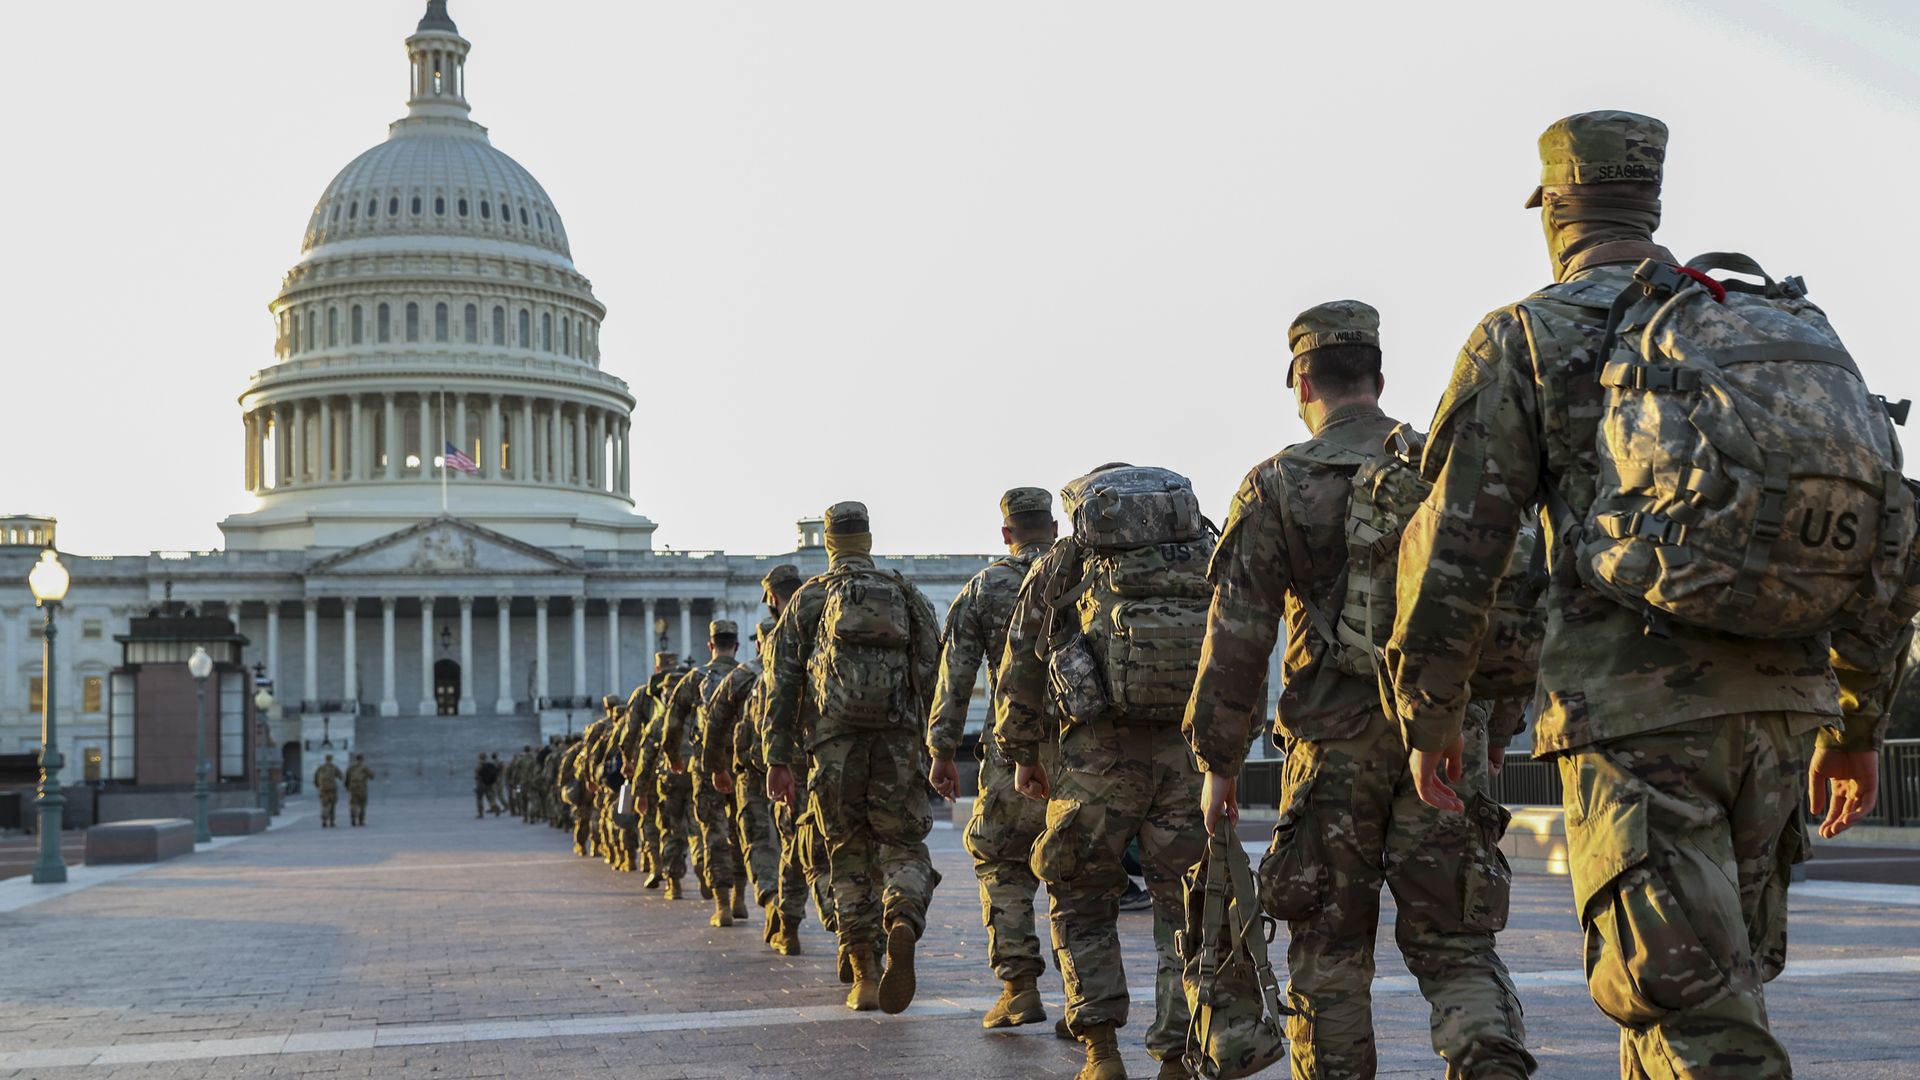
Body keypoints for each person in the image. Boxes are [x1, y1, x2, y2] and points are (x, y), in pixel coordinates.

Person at [1385, 110, 1906, 1079]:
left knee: (1691, 1021)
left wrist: (1432, 711)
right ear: (1650, 200)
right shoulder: (1772, 323)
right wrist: (1857, 725)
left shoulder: (1528, 335)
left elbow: (1458, 543)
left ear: (1555, 209)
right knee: (1704, 989)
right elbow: (1884, 527)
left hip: (1635, 718)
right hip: (1781, 716)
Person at [1183, 300, 1534, 1079]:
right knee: (1456, 943)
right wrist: (1494, 725)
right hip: (1442, 741)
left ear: (1302, 380)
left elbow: (1237, 638)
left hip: (1331, 750)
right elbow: (1507, 602)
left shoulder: (1276, 484)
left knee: (1330, 954)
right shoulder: (1444, 470)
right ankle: (1488, 1057)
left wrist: (1219, 763)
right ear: (1378, 376)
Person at [996, 464, 1212, 1080]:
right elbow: (1240, 641)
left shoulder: (1070, 560)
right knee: (1185, 903)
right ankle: (1177, 1052)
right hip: (1184, 753)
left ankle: (1101, 1050)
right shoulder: (1203, 551)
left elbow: (1023, 658)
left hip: (1096, 756)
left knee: (1080, 895)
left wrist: (1023, 754)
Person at [765, 501, 942, 1014]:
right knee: (903, 843)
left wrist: (778, 756)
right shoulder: (905, 594)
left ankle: (864, 971)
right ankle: (904, 918)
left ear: (828, 542)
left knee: (846, 851)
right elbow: (934, 667)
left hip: (832, 745)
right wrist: (929, 738)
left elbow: (782, 685)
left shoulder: (808, 600)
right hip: (897, 741)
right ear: (867, 538)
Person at [927, 486, 1061, 1030]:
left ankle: (1020, 986)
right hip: (1088, 748)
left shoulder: (984, 588)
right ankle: (1089, 1004)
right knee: (1080, 875)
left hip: (1012, 749)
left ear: (1006, 534)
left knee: (1001, 861)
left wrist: (940, 749)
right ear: (1052, 527)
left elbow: (955, 678)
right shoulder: (1085, 576)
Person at [657, 619, 752, 928]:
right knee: (743, 831)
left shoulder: (695, 678)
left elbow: (672, 724)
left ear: (710, 645)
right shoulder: (749, 675)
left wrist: (673, 757)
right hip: (744, 765)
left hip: (707, 767)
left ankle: (722, 903)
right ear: (735, 645)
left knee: (713, 831)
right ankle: (740, 896)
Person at [701, 618, 787, 947]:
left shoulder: (738, 676)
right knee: (791, 842)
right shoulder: (806, 668)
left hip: (745, 770)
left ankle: (744, 901)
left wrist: (714, 767)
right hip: (792, 769)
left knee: (739, 835)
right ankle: (792, 910)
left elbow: (713, 723)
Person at [344, 754, 376, 828]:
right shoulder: (364, 768)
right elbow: (372, 776)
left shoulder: (351, 768)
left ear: (356, 759)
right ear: (362, 760)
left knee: (353, 804)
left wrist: (347, 787)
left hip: (353, 789)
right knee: (362, 805)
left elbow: (347, 779)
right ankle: (360, 821)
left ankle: (353, 819)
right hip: (362, 789)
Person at [313, 753, 342, 828]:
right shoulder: (334, 767)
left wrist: (318, 786)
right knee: (332, 804)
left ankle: (324, 820)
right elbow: (341, 776)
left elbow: (315, 778)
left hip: (323, 789)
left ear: (325, 759)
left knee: (325, 805)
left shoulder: (320, 767)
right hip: (332, 789)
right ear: (331, 759)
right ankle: (332, 821)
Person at [474, 752, 499, 818]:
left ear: (479, 757)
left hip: (481, 784)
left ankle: (480, 813)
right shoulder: (489, 764)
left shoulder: (479, 765)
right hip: (489, 784)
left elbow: (476, 776)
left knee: (479, 799)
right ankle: (495, 806)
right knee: (490, 798)